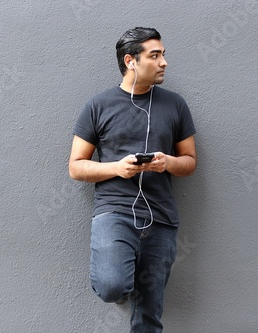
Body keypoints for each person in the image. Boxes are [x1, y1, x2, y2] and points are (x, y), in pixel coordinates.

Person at [69, 27, 197, 332]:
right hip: (115, 213)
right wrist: (117, 168)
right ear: (131, 61)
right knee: (113, 286)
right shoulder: (98, 106)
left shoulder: (175, 105)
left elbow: (190, 162)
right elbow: (76, 167)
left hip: (161, 217)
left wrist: (167, 163)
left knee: (149, 315)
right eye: (155, 55)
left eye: (163, 54)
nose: (164, 62)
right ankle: (127, 281)